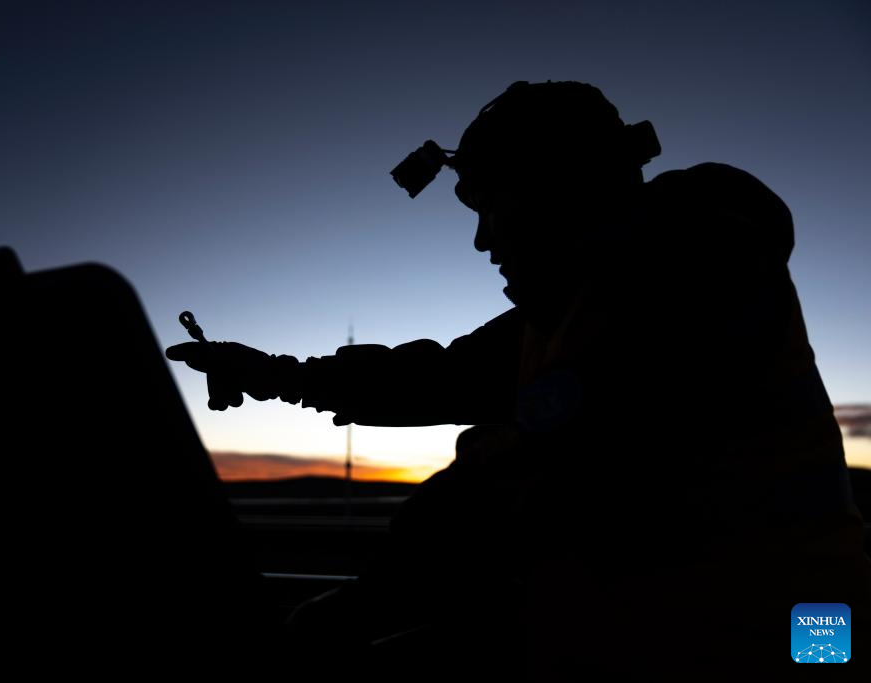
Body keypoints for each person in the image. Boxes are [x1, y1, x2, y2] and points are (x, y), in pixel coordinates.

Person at [166, 81, 871, 677]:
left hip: (788, 641)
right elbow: (434, 377)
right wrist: (269, 373)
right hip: (651, 630)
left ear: (556, 186)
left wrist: (366, 601)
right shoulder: (566, 308)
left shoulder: (698, 263)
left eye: (490, 209)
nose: (482, 240)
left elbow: (526, 469)